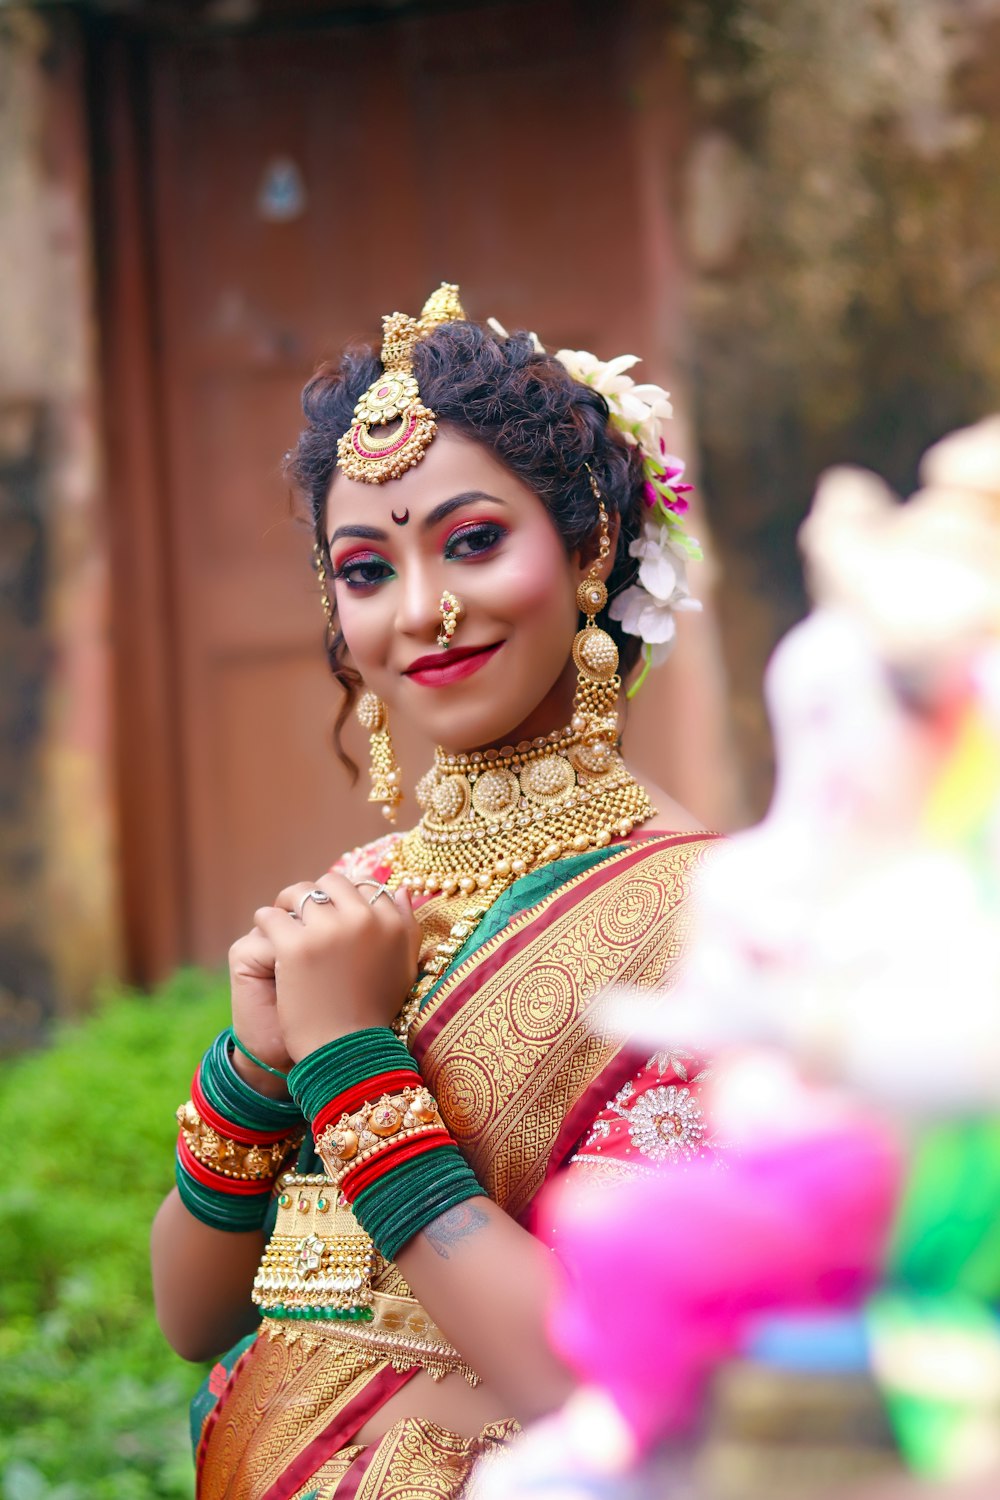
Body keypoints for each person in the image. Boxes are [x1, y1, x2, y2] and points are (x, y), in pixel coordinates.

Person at [151, 285, 720, 1500]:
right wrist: (252, 1075)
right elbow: (192, 1318)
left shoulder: (716, 921)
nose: (420, 611)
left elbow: (595, 1381)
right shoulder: (357, 901)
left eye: (471, 541)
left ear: (589, 549)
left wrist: (354, 1060)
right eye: (367, 568)